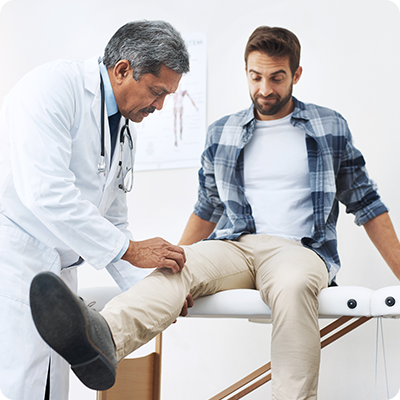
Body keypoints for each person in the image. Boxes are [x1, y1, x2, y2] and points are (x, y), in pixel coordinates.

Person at [30, 26, 400, 400]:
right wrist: (173, 261)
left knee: (292, 286)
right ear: (246, 73)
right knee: (179, 266)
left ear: (296, 75)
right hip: (235, 245)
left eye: (277, 77)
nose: (265, 89)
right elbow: (207, 208)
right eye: (256, 77)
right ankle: (102, 338)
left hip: (299, 250)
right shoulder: (223, 131)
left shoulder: (329, 126)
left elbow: (367, 204)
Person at [0, 20, 190, 400]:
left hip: (61, 279)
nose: (160, 105)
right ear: (122, 70)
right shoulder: (53, 88)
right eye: (156, 92)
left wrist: (152, 290)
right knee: (17, 385)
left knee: (52, 388)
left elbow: (112, 220)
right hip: (16, 266)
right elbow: (46, 192)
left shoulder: (123, 127)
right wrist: (131, 250)